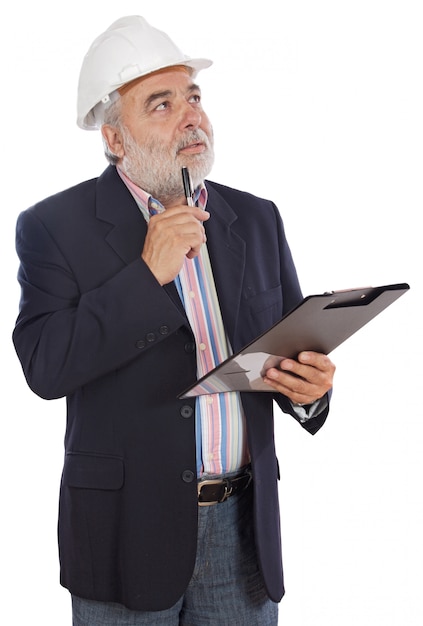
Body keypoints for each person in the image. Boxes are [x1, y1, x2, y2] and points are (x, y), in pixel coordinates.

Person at [12, 15, 335, 626]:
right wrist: (144, 276)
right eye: (160, 104)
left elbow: (290, 349)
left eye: (193, 97)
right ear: (114, 138)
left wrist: (310, 394)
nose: (190, 116)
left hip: (243, 533)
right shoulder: (53, 227)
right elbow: (45, 367)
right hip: (125, 534)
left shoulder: (257, 218)